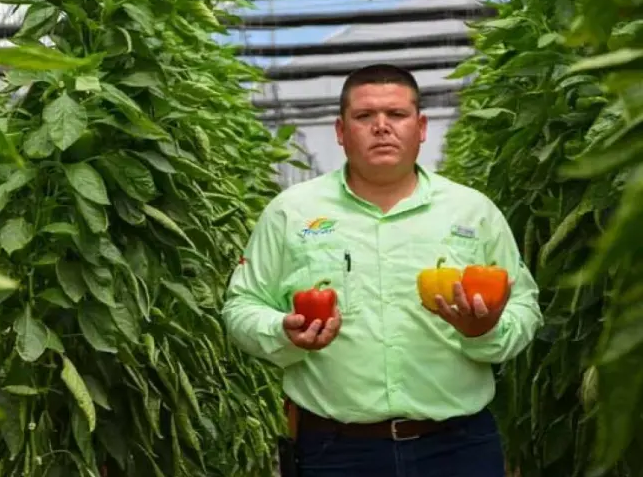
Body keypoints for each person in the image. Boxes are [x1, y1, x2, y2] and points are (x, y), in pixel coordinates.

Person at [220, 64, 543, 477]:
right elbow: (242, 305)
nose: (381, 127)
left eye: (397, 115)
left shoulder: (472, 211)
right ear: (341, 131)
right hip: (336, 451)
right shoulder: (292, 212)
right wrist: (283, 331)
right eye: (364, 116)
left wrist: (486, 332)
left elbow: (524, 304)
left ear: (421, 126)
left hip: (458, 447)